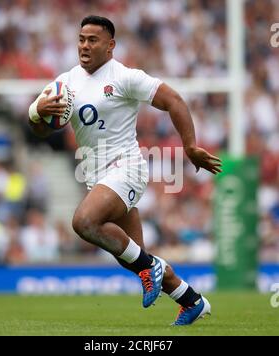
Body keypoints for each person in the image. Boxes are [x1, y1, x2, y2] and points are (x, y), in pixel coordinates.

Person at [28, 15, 222, 326]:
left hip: (126, 168)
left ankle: (150, 268)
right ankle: (191, 300)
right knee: (134, 256)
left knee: (84, 222)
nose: (85, 46)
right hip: (96, 176)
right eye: (81, 39)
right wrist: (37, 113)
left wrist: (189, 146)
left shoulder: (124, 77)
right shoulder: (65, 83)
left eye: (93, 40)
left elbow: (174, 100)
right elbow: (39, 130)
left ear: (110, 45)